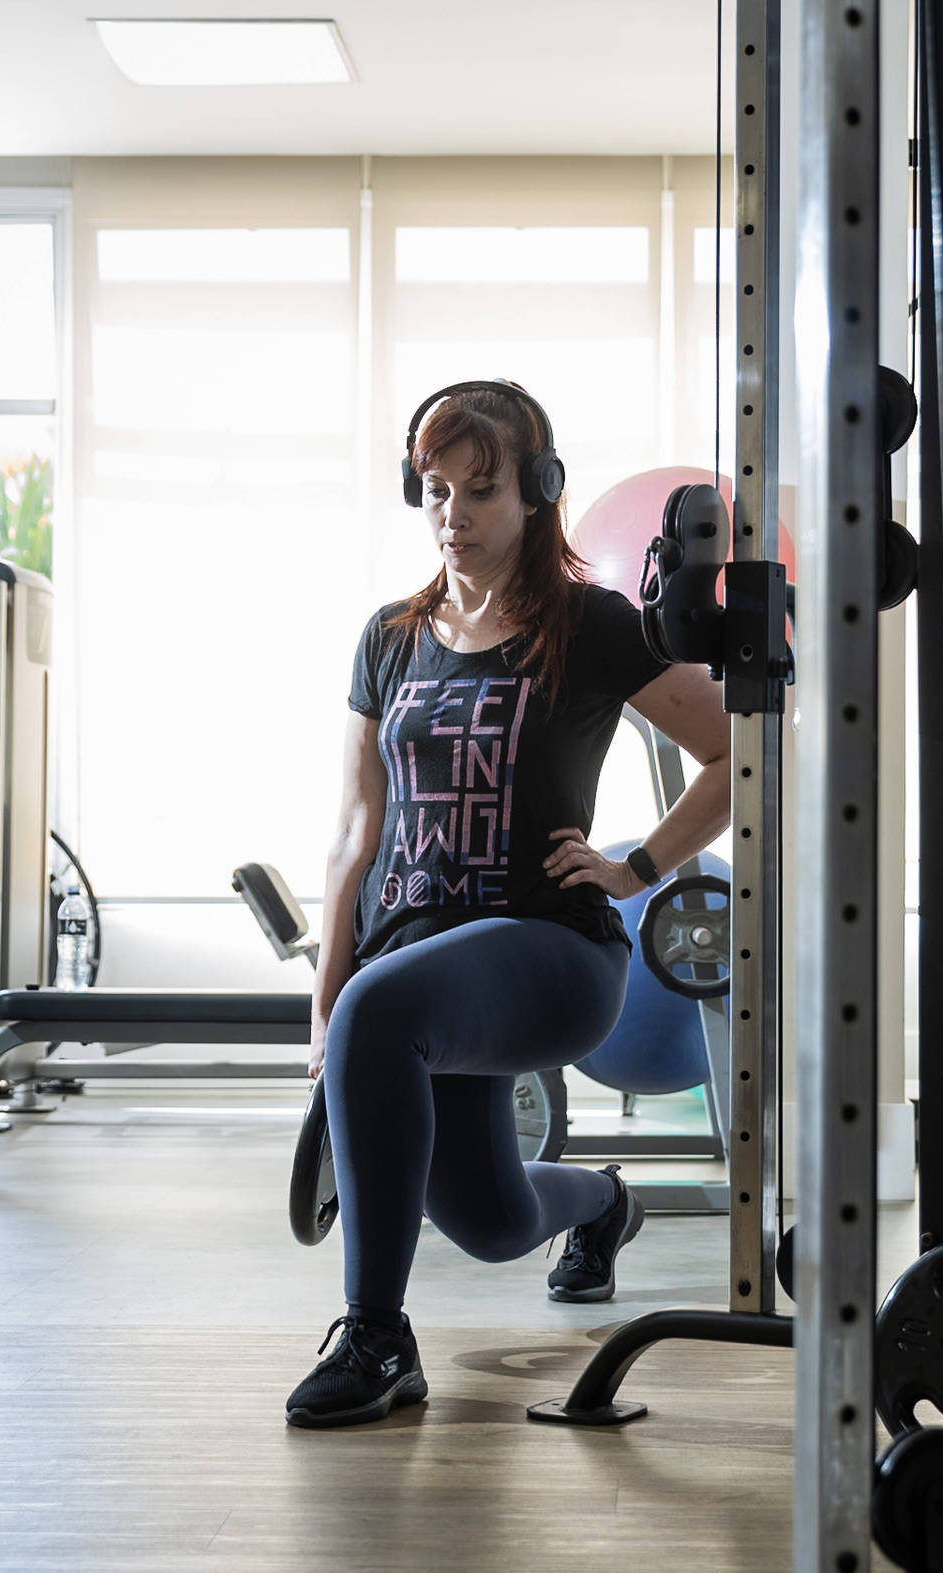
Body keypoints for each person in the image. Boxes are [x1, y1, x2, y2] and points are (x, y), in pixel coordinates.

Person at [286, 381, 732, 1428]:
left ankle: (377, 1338)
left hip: (550, 953)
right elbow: (357, 832)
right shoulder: (390, 638)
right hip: (418, 969)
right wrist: (326, 992)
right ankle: (606, 1203)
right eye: (435, 490)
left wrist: (640, 867)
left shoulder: (593, 624)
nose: (454, 514)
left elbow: (737, 750)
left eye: (480, 491)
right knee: (492, 1221)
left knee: (382, 1012)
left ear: (538, 492)